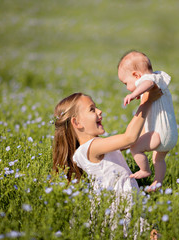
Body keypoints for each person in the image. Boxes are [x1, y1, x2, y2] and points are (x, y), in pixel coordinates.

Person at [52, 89, 161, 238]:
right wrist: (146, 102)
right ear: (77, 122)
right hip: (120, 213)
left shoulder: (97, 145)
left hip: (128, 207)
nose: (99, 111)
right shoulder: (90, 148)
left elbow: (135, 138)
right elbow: (129, 137)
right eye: (92, 109)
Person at [117, 50, 178, 191]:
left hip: (160, 134)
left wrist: (134, 93)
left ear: (136, 75)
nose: (126, 87)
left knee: (135, 147)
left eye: (126, 83)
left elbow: (147, 82)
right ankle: (158, 182)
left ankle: (145, 170)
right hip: (171, 135)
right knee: (159, 159)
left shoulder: (150, 80)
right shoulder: (159, 78)